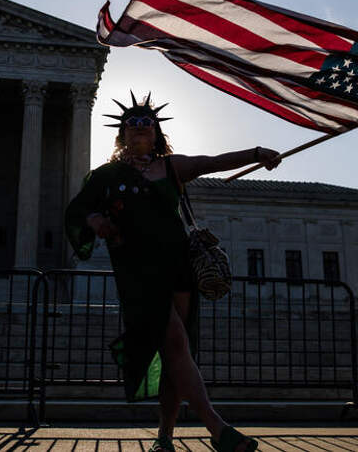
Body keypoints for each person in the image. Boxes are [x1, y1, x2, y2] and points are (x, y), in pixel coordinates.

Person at [65, 93, 279, 452]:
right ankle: (218, 429)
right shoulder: (105, 176)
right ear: (122, 134)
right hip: (138, 271)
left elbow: (213, 162)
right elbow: (78, 210)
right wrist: (96, 219)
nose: (139, 127)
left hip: (178, 267)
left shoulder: (171, 167)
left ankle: (164, 437)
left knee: (174, 355)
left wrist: (256, 153)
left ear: (156, 132)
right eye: (131, 123)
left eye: (146, 122)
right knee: (176, 343)